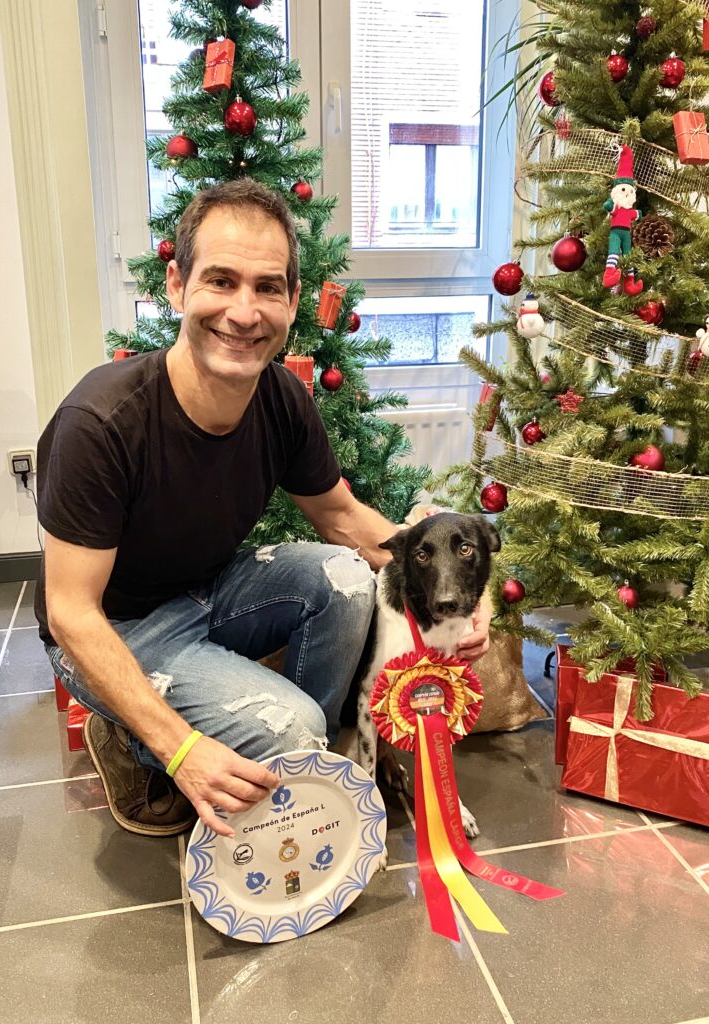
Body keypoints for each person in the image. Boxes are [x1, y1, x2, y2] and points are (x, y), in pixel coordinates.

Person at [35, 178, 491, 842]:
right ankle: (140, 744)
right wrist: (181, 749)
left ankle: (306, 759)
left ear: (293, 300)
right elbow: (70, 613)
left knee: (345, 577)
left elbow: (343, 518)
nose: (244, 313)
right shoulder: (101, 423)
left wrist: (455, 596)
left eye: (267, 287)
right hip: (112, 629)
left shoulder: (281, 398)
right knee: (291, 730)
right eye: (220, 281)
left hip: (208, 591)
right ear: (176, 284)